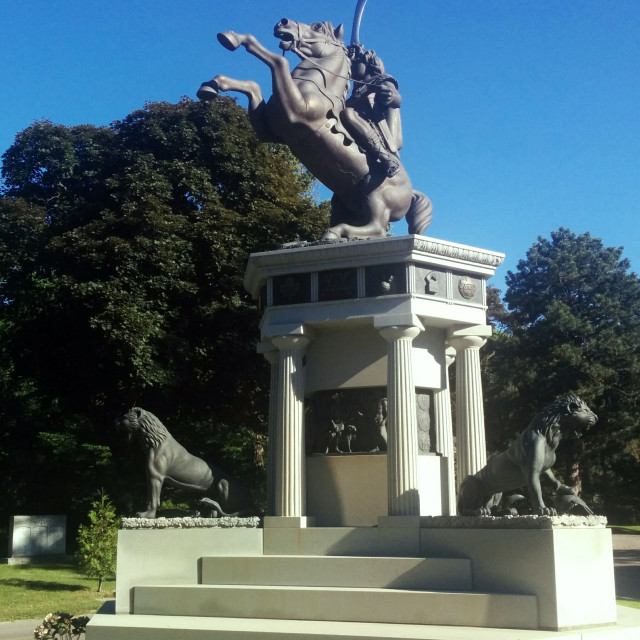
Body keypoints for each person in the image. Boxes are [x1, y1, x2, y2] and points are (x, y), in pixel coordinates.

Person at [341, 44, 403, 178]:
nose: (353, 64)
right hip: (361, 128)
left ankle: (386, 158)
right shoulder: (355, 90)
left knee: (348, 114)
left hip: (377, 128)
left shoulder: (381, 80)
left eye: (357, 61)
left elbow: (397, 99)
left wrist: (390, 95)